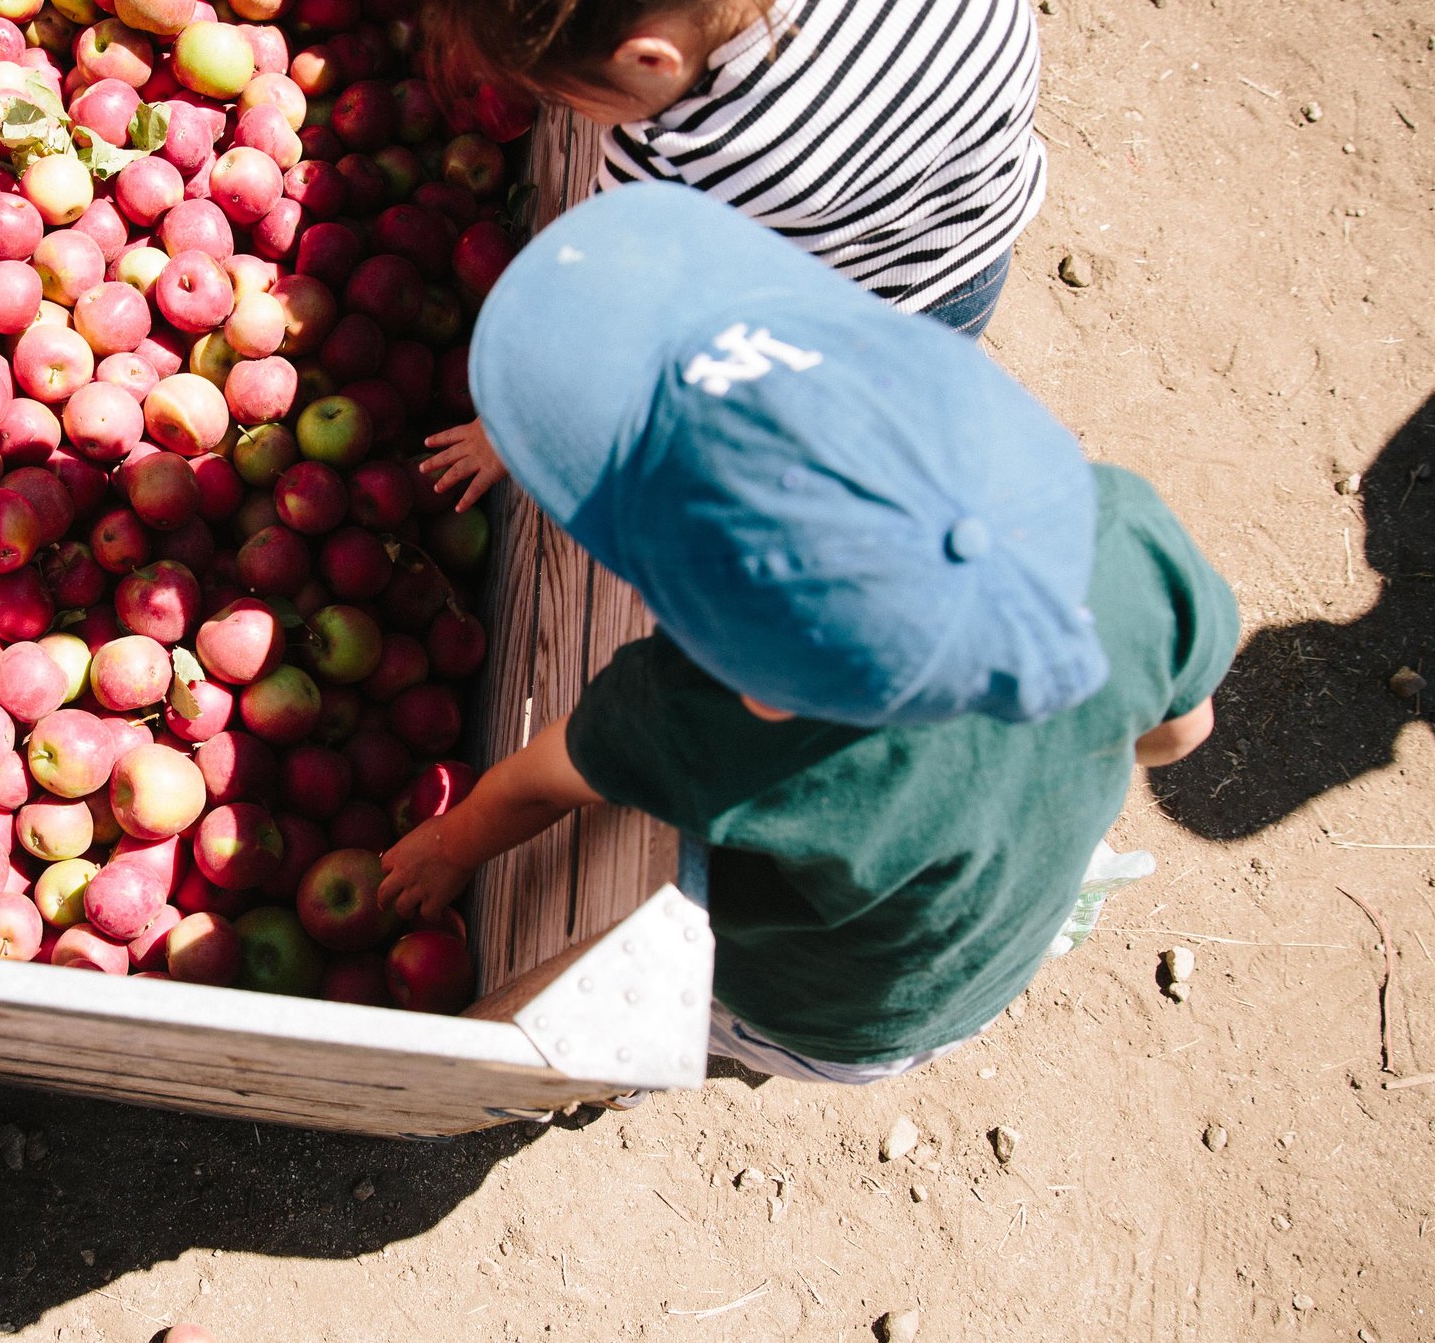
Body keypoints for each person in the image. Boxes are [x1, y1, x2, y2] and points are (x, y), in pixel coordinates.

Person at [379, 184, 1238, 1084]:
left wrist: (450, 845)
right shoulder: (1120, 531)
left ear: (763, 686)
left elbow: (544, 778)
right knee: (979, 842)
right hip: (1001, 913)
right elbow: (1180, 733)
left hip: (833, 1010)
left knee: (685, 1004)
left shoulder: (702, 717)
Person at [414, 0, 1046, 508]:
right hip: (976, 225)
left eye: (560, 96)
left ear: (650, 61)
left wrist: (513, 428)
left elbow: (596, 327)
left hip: (874, 305)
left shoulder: (681, 159)